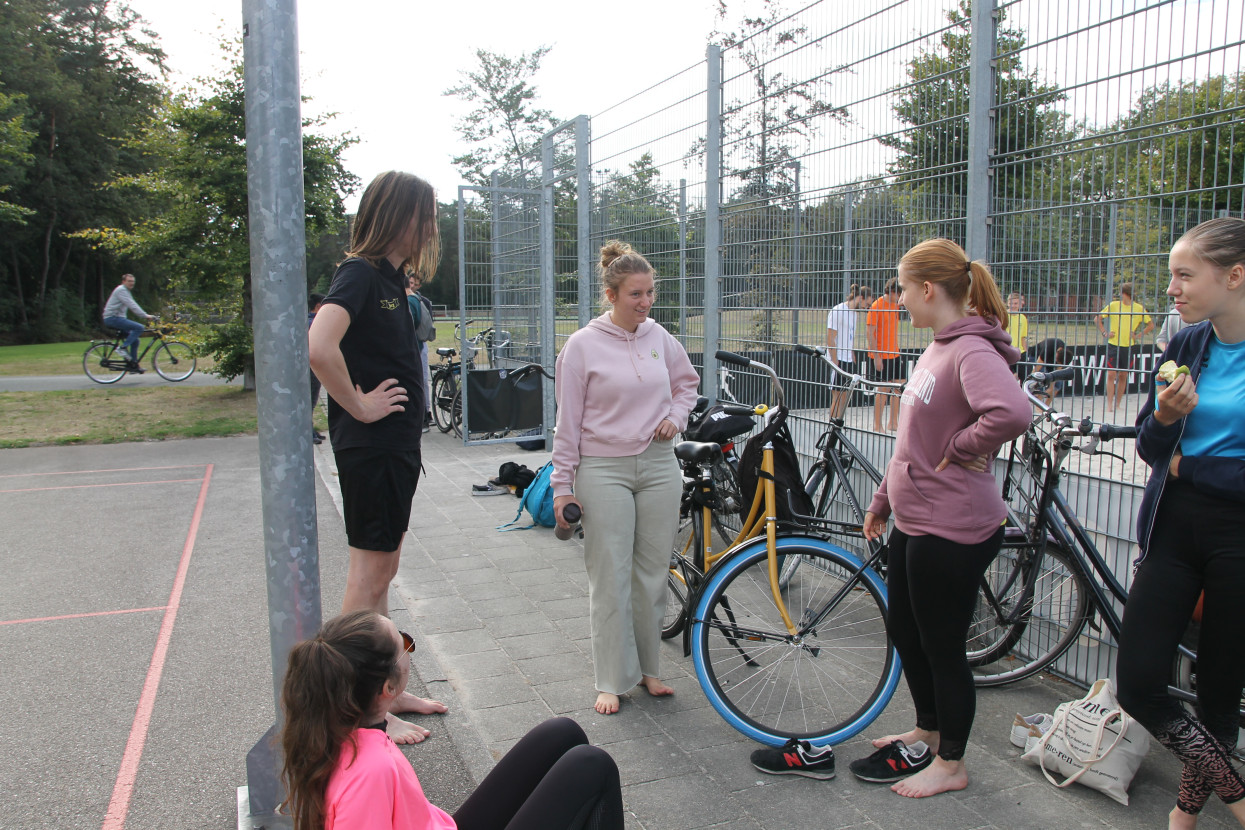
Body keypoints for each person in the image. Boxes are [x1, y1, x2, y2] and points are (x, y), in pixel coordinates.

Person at [856, 239, 1030, 798]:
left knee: (943, 646)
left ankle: (952, 764)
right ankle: (929, 732)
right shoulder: (937, 347)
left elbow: (1012, 412)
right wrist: (883, 497)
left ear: (928, 289)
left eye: (904, 288)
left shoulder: (972, 351)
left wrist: (962, 444)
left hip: (952, 525)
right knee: (907, 630)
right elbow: (912, 440)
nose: (900, 299)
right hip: (914, 516)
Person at [308, 171, 446, 742]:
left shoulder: (390, 281)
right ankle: (358, 711)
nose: (431, 227)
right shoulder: (360, 274)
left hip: (393, 448)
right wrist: (360, 406)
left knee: (382, 570)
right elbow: (320, 345)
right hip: (372, 447)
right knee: (366, 578)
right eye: (426, 216)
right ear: (399, 216)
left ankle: (384, 689)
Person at [1117, 217, 1245, 830]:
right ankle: (1241, 799)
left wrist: (1192, 466)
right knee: (1139, 683)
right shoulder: (1188, 344)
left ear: (1235, 276)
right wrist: (1167, 423)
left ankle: (1184, 815)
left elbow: (1180, 465)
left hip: (1237, 536)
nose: (1171, 288)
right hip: (1173, 526)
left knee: (1219, 693)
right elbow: (1149, 445)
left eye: (1184, 275)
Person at [280, 611, 624, 830]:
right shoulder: (370, 772)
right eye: (404, 644)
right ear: (388, 687)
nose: (409, 648)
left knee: (562, 733)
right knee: (591, 764)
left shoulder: (339, 731)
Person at [551, 240, 701, 716]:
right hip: (603, 469)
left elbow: (688, 385)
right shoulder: (581, 346)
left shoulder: (660, 337)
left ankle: (649, 670)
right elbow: (567, 423)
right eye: (636, 294)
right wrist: (563, 486)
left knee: (652, 574)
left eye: (650, 293)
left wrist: (676, 417)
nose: (646, 303)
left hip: (658, 466)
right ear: (612, 294)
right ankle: (612, 678)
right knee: (610, 577)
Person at [1096, 281, 1154, 412]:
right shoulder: (1114, 305)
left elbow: (1150, 325)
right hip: (1113, 345)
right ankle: (1110, 405)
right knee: (1111, 374)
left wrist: (1138, 335)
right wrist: (1105, 333)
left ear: (1124, 293)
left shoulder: (1138, 308)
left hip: (1128, 346)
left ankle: (1117, 404)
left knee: (1123, 375)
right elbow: (1097, 318)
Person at [866, 278, 905, 432]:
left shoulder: (895, 305)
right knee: (883, 391)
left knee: (898, 387)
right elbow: (870, 333)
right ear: (893, 292)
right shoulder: (877, 306)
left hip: (894, 352)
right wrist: (876, 357)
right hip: (881, 355)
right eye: (900, 294)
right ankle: (877, 425)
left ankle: (893, 423)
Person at [826, 283, 866, 418]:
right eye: (866, 303)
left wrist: (852, 353)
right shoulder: (838, 310)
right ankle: (831, 426)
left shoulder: (854, 314)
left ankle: (839, 424)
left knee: (845, 395)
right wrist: (834, 359)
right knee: (837, 396)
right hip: (838, 359)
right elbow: (830, 337)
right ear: (860, 298)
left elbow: (850, 336)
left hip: (848, 358)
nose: (866, 307)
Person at [102, 273, 155, 372]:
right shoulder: (121, 290)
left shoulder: (125, 291)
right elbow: (132, 305)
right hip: (112, 318)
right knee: (139, 327)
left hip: (117, 318)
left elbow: (131, 305)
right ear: (123, 282)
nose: (131, 283)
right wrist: (145, 316)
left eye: (133, 281)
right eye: (129, 281)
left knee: (135, 341)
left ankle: (133, 366)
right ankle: (122, 348)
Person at [406, 274, 435, 433]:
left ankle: (424, 413)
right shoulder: (413, 300)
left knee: (421, 379)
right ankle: (422, 413)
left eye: (414, 284)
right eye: (409, 283)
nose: (411, 286)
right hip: (416, 345)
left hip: (418, 344)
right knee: (419, 379)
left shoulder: (416, 301)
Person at [1022, 337, 1068, 407]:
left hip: (1049, 361)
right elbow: (1038, 367)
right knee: (1042, 379)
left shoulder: (1064, 354)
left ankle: (1046, 407)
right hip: (1035, 356)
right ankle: (1039, 405)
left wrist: (1052, 387)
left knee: (1058, 385)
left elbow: (1058, 371)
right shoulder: (1048, 348)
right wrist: (1030, 378)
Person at [308, 293, 326, 445]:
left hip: (308, 368)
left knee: (310, 401)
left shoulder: (306, 321)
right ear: (318, 306)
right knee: (310, 401)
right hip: (312, 369)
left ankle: (310, 430)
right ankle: (308, 431)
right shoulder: (316, 322)